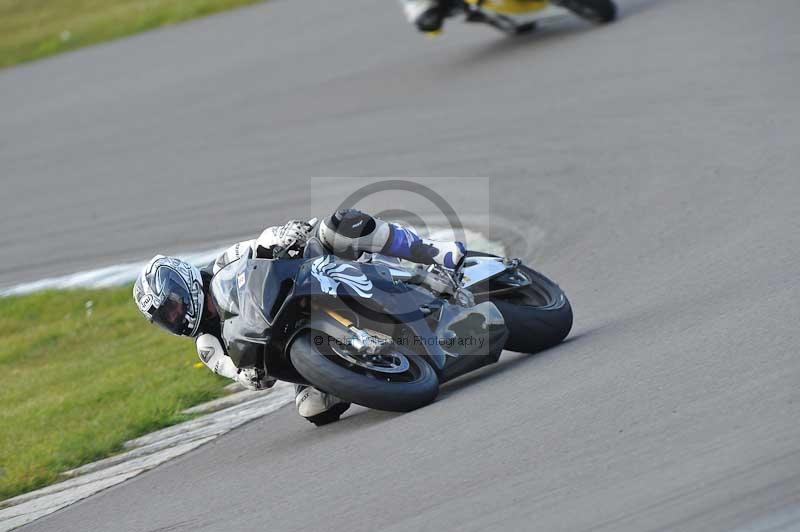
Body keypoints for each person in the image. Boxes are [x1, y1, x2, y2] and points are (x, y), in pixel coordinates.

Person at [133, 209, 465, 425]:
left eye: (172, 306)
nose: (175, 316)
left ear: (182, 281)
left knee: (337, 224)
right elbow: (233, 370)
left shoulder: (223, 264)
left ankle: (432, 252)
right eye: (166, 317)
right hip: (293, 340)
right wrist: (247, 377)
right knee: (313, 408)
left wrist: (283, 236)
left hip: (309, 281)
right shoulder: (207, 346)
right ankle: (368, 371)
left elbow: (260, 244)